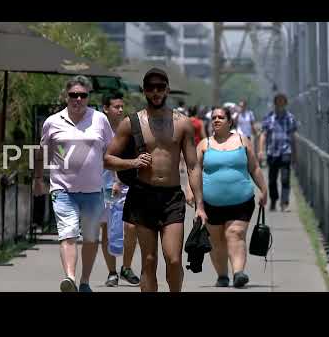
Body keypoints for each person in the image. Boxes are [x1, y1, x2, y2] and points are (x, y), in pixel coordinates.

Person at [104, 67, 207, 292]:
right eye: (151, 87)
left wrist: (200, 204)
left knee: (174, 260)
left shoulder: (182, 123)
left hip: (171, 198)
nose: (156, 92)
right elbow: (107, 159)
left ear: (167, 89)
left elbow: (192, 165)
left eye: (160, 87)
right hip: (142, 195)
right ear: (144, 91)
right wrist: (132, 163)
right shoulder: (132, 122)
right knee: (149, 261)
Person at [34, 75, 113, 292]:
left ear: (88, 97)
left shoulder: (100, 120)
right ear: (66, 96)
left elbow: (111, 151)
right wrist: (38, 179)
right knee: (67, 233)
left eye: (82, 95)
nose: (78, 99)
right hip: (62, 189)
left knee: (89, 238)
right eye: (73, 95)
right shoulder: (52, 122)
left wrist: (116, 181)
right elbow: (42, 153)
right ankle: (69, 277)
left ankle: (85, 280)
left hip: (94, 190)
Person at [186, 106, 267, 288]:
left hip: (241, 201)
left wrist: (263, 189)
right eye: (214, 117)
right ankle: (222, 276)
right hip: (211, 203)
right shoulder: (204, 144)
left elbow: (254, 168)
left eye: (221, 117)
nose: (216, 120)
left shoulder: (242, 141)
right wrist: (190, 190)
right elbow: (194, 170)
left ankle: (238, 273)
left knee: (235, 233)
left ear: (229, 121)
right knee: (216, 240)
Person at [100, 91, 140, 287]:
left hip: (126, 184)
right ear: (105, 108)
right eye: (116, 107)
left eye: (122, 106)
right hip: (105, 185)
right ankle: (112, 272)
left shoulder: (128, 128)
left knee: (131, 227)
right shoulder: (99, 129)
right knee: (108, 228)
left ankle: (126, 267)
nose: (120, 110)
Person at [258, 93, 298, 212]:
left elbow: (293, 137)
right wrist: (260, 150)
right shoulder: (269, 118)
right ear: (275, 104)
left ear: (285, 104)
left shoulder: (290, 118)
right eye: (278, 103)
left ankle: (284, 203)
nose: (280, 105)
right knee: (272, 179)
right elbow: (263, 135)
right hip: (272, 152)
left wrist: (295, 154)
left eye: (282, 103)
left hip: (286, 151)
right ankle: (274, 200)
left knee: (285, 179)